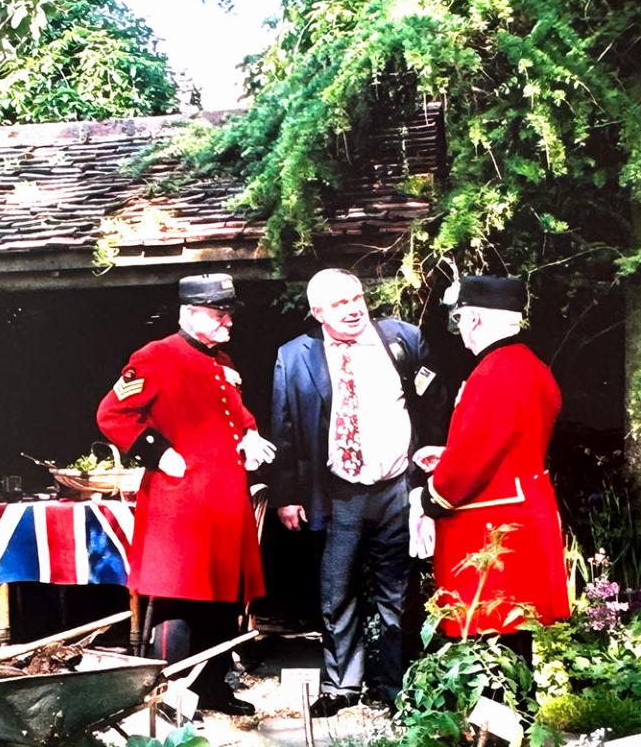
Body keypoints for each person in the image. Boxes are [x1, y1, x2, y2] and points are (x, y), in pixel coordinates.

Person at [97, 273, 276, 717]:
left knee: (221, 600)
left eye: (228, 312)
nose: (228, 320)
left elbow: (237, 416)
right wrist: (155, 453)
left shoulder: (221, 361)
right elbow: (112, 413)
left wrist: (250, 436)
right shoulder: (155, 356)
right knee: (178, 600)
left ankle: (213, 688)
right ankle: (170, 698)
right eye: (219, 313)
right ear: (190, 313)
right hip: (182, 504)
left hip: (223, 502)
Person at [266, 268, 443, 716]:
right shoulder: (295, 355)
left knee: (396, 591)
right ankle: (342, 685)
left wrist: (431, 474)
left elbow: (434, 407)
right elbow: (284, 431)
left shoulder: (402, 339)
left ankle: (393, 687)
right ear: (318, 312)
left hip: (396, 487)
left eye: (357, 298)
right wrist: (287, 494)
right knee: (336, 590)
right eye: (340, 303)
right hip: (335, 491)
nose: (353, 309)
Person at [412, 275, 570, 667]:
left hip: (490, 523)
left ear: (475, 320)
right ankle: (513, 725)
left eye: (459, 319)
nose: (459, 331)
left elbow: (473, 461)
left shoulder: (495, 371)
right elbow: (507, 446)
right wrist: (448, 452)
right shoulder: (530, 366)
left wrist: (430, 498)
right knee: (514, 640)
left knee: (491, 641)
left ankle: (497, 728)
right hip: (521, 512)